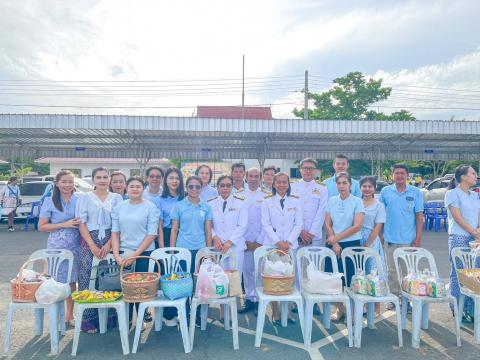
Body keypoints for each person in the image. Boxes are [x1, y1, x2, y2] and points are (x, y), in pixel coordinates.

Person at [76, 167, 123, 332]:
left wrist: (109, 243)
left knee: (109, 279)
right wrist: (92, 244)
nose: (102, 180)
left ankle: (110, 318)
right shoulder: (85, 198)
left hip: (111, 240)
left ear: (109, 179)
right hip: (89, 240)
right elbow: (81, 222)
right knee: (87, 277)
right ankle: (88, 320)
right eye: (99, 177)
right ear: (93, 179)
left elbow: (119, 223)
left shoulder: (117, 198)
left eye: (105, 177)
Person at [111, 176, 160, 325]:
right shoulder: (119, 207)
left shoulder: (150, 207)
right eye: (132, 186)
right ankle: (126, 321)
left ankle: (140, 319)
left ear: (143, 189)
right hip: (124, 253)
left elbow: (152, 234)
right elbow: (115, 233)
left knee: (140, 289)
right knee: (125, 290)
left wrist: (135, 255)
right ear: (127, 187)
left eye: (138, 186)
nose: (135, 189)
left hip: (144, 253)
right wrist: (116, 255)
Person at [38, 170, 81, 326]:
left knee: (72, 281)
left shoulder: (80, 199)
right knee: (56, 281)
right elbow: (42, 226)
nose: (67, 185)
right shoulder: (50, 201)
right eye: (64, 182)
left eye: (70, 181)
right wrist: (65, 224)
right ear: (57, 183)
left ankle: (70, 314)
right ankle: (58, 315)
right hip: (57, 246)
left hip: (76, 244)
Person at [261, 172, 303, 325]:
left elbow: (299, 224)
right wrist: (278, 242)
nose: (281, 185)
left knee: (287, 279)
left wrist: (289, 242)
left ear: (288, 184)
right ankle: (276, 311)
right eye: (278, 182)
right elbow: (265, 224)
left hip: (290, 246)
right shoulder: (267, 201)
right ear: (273, 184)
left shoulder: (296, 201)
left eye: (284, 182)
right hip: (272, 245)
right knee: (272, 278)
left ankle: (287, 312)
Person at [380, 163, 424, 304]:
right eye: (396, 173)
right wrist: (380, 236)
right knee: (391, 271)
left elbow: (419, 217)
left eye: (402, 173)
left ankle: (408, 300)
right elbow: (380, 215)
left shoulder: (415, 192)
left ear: (407, 175)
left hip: (408, 239)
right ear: (392, 175)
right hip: (390, 238)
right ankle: (394, 299)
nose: (399, 176)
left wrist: (418, 238)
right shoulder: (385, 191)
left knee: (408, 272)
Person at [325, 172, 365, 321]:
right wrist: (334, 242)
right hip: (333, 243)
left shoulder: (357, 201)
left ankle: (353, 312)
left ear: (350, 185)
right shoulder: (331, 200)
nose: (341, 186)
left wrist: (337, 239)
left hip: (351, 244)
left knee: (350, 280)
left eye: (344, 183)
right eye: (339, 183)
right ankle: (340, 309)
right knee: (335, 280)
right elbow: (327, 223)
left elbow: (357, 226)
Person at [445, 165, 480, 321]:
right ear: (463, 177)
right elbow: (457, 218)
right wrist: (473, 232)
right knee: (458, 273)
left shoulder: (474, 195)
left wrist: (478, 231)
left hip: (474, 237)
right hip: (459, 236)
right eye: (473, 173)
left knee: (473, 273)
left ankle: (470, 309)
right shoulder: (452, 194)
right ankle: (457, 307)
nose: (475, 176)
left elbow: (477, 215)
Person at [153, 167, 185, 325]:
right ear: (166, 181)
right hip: (165, 236)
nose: (174, 181)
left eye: (177, 178)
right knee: (168, 276)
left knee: (182, 275)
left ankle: (183, 311)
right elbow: (159, 225)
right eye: (171, 178)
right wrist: (162, 247)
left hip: (183, 236)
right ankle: (168, 315)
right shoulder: (159, 200)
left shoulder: (185, 198)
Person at [239, 167, 268, 314]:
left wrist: (259, 241)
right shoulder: (238, 195)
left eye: (257, 176)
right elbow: (236, 220)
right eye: (251, 176)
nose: (254, 179)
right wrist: (244, 241)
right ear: (246, 177)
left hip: (260, 240)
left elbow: (268, 221)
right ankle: (249, 299)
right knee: (247, 270)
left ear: (261, 178)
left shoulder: (266, 196)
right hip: (243, 241)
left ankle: (259, 299)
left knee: (259, 271)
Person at [170, 175, 213, 273]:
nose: (194, 189)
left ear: (201, 188)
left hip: (201, 249)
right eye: (191, 186)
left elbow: (208, 231)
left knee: (200, 280)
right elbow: (174, 230)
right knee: (183, 278)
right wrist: (172, 251)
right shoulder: (178, 206)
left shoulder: (207, 207)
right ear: (186, 187)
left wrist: (208, 251)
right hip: (182, 248)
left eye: (197, 187)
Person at [359, 176, 388, 315]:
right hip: (356, 239)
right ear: (360, 188)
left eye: (370, 186)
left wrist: (368, 243)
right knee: (360, 273)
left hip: (371, 241)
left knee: (373, 273)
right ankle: (362, 304)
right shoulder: (356, 203)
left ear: (374, 188)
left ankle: (376, 307)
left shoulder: (379, 205)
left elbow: (378, 226)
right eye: (364, 186)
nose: (367, 189)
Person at [209, 175, 248, 273]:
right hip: (218, 246)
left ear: (232, 187)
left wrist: (230, 242)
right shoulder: (210, 203)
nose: (225, 188)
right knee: (218, 277)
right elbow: (208, 224)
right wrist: (214, 237)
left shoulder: (241, 202)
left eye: (228, 185)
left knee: (235, 278)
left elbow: (242, 225)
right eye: (222, 185)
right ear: (217, 187)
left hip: (235, 246)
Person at [291, 158, 328, 247]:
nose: (308, 171)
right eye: (305, 168)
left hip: (314, 235)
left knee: (314, 260)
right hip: (295, 234)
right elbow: (290, 211)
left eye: (311, 168)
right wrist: (300, 231)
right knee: (295, 260)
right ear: (300, 170)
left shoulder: (322, 188)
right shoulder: (292, 187)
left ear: (316, 171)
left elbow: (321, 212)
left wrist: (311, 233)